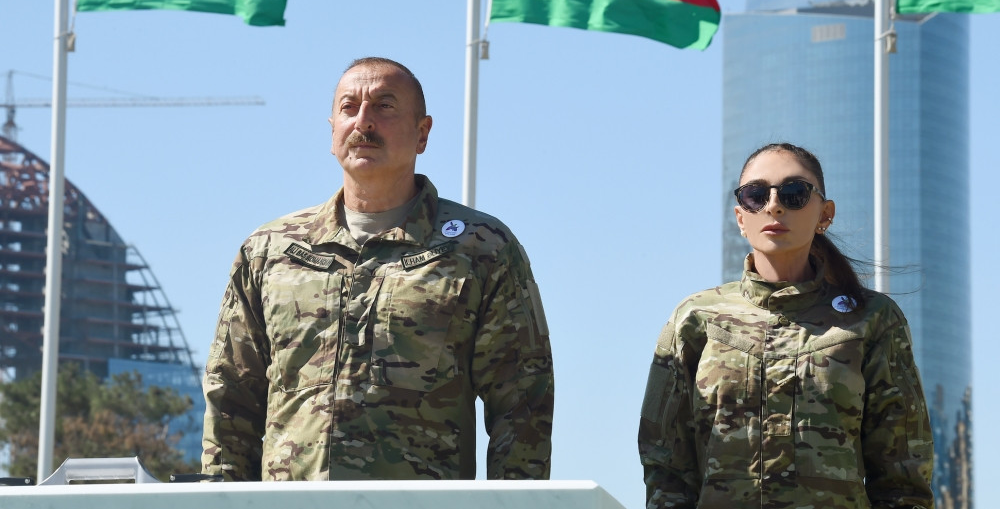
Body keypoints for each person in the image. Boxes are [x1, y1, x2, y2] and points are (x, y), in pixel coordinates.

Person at [202, 56, 553, 481]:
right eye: (349, 107)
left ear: (422, 133)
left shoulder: (481, 248)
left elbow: (523, 404)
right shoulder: (270, 250)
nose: (364, 121)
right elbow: (230, 397)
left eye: (384, 106)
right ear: (332, 131)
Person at [638, 142, 934, 509]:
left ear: (825, 214)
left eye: (794, 193)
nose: (774, 205)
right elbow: (665, 467)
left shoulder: (872, 319)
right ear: (740, 217)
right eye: (756, 195)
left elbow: (903, 476)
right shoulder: (696, 319)